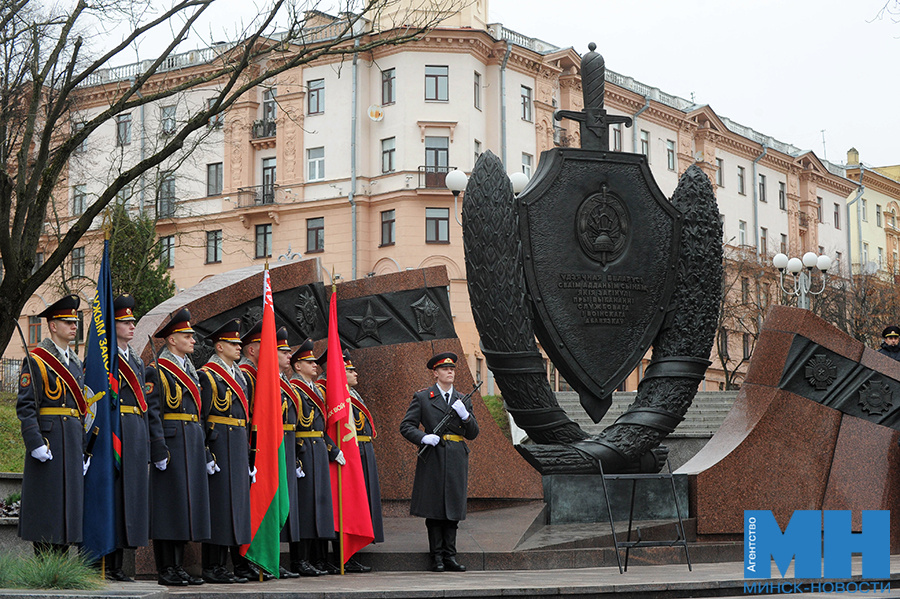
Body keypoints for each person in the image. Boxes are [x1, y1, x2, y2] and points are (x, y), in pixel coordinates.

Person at [102, 294, 167, 581]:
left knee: (131, 499)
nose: (131, 326)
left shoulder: (137, 362)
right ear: (112, 324)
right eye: (124, 322)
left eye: (132, 322)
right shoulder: (105, 359)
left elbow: (147, 407)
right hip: (115, 433)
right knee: (113, 498)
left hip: (136, 434)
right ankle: (107, 562)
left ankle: (121, 564)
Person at [16, 295, 87, 556]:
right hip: (48, 440)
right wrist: (34, 442)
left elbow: (79, 411)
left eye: (75, 321)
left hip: (70, 439)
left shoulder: (76, 363)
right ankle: (45, 568)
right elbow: (26, 406)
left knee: (66, 506)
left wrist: (82, 449)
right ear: (53, 326)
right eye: (67, 321)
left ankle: (60, 568)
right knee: (48, 505)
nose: (74, 325)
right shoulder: (36, 360)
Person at [147, 308, 210, 586]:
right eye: (187, 336)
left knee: (185, 507)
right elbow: (152, 412)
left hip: (192, 442)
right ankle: (166, 568)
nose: (193, 340)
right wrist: (158, 447)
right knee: (168, 507)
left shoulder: (190, 371)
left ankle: (179, 565)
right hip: (171, 443)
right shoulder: (156, 370)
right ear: (172, 339)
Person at [399, 352, 478, 573]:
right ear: (435, 372)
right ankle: (437, 558)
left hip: (455, 457)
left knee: (453, 508)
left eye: (452, 369)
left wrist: (466, 417)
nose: (450, 372)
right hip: (433, 457)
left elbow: (473, 433)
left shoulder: (463, 399)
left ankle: (450, 556)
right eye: (445, 369)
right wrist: (423, 437)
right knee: (434, 510)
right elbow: (406, 426)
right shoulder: (424, 397)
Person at [198, 319, 253, 584]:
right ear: (219, 347)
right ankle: (212, 565)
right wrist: (207, 452)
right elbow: (203, 416)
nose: (238, 347)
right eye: (233, 344)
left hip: (238, 444)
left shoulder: (239, 375)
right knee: (219, 507)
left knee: (236, 506)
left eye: (240, 343)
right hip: (219, 444)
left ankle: (231, 565)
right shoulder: (208, 375)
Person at [290, 339, 344, 575]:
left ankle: (314, 558)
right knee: (303, 508)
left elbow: (321, 428)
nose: (315, 365)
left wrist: (332, 449)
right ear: (297, 366)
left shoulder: (316, 389)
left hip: (319, 450)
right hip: (302, 450)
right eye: (309, 362)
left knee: (317, 507)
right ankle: (299, 560)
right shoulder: (293, 388)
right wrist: (294, 457)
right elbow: (290, 426)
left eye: (315, 361)